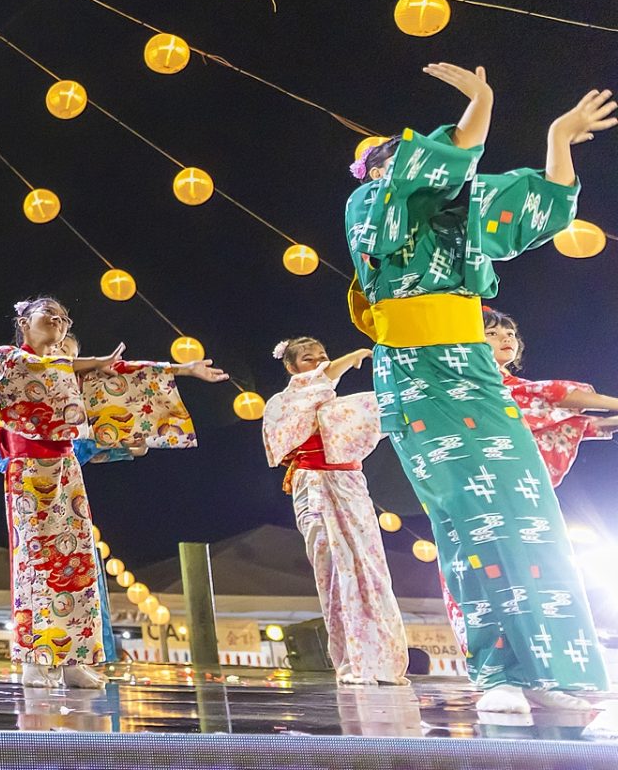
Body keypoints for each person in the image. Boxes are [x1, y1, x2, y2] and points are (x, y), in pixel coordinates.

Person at [345, 65, 614, 716]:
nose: (408, 161)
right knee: (465, 515)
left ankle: (568, 666)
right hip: (414, 368)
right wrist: (482, 108)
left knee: (528, 509)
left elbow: (534, 207)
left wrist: (557, 139)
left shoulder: (454, 207)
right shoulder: (369, 206)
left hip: (472, 365)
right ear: (380, 171)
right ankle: (497, 673)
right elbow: (431, 170)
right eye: (395, 156)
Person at [0, 299, 225, 689]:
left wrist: (181, 369)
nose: (59, 320)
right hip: (30, 474)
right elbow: (42, 373)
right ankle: (35, 658)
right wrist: (92, 363)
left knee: (77, 565)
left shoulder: (70, 370)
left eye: (65, 316)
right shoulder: (10, 358)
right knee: (36, 564)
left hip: (66, 470)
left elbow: (121, 375)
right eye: (48, 312)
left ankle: (71, 659)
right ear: (22, 321)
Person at [261, 336, 407, 685]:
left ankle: (385, 662)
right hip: (313, 486)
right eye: (309, 359)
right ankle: (352, 663)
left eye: (323, 357)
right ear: (292, 367)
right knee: (333, 572)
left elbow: (387, 410)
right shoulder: (282, 403)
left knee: (370, 568)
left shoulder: (342, 408)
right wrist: (348, 357)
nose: (319, 364)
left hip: (350, 484)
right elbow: (313, 386)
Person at [485, 307, 618, 488]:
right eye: (492, 333)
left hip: (515, 475)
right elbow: (550, 395)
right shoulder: (485, 383)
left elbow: (572, 425)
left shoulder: (516, 385)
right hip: (486, 461)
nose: (506, 338)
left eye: (511, 333)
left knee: (567, 421)